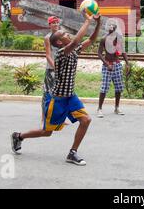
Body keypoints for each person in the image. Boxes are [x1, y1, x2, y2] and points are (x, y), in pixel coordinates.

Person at [11, 13, 101, 166]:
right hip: (57, 100)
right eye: (65, 34)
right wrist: (87, 21)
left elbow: (91, 39)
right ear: (59, 42)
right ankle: (19, 136)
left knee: (86, 120)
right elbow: (78, 39)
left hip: (70, 96)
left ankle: (72, 153)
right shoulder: (61, 54)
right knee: (46, 132)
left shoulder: (74, 50)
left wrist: (99, 23)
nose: (68, 34)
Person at [96, 20, 130, 118]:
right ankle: (100, 108)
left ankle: (117, 108)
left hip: (117, 65)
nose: (111, 26)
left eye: (113, 25)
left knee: (119, 87)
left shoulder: (118, 38)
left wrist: (127, 63)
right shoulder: (104, 38)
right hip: (107, 65)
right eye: (109, 25)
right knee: (104, 88)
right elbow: (99, 53)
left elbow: (123, 51)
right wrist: (106, 64)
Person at [41, 16, 60, 121]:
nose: (56, 24)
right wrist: (55, 68)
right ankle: (43, 118)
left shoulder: (61, 36)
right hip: (51, 70)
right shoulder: (47, 38)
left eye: (57, 22)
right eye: (53, 23)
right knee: (47, 94)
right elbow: (48, 56)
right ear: (49, 25)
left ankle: (57, 118)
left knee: (60, 95)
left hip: (60, 70)